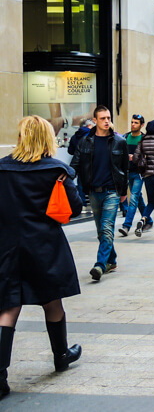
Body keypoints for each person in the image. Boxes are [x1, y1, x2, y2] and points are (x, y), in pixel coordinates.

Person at [0, 116, 84, 399]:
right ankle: (61, 355)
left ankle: (0, 376)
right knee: (52, 300)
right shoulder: (56, 170)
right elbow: (73, 209)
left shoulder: (2, 168)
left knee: (9, 305)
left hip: (8, 244)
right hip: (45, 246)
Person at [71, 106, 129, 281]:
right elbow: (75, 164)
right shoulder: (85, 142)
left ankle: (100, 265)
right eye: (102, 118)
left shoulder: (119, 141)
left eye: (108, 118)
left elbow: (124, 169)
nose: (106, 121)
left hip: (111, 191)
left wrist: (123, 191)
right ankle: (111, 260)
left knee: (106, 228)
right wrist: (63, 175)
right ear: (94, 121)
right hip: (93, 192)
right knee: (101, 231)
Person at [118, 114, 150, 237]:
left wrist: (136, 159)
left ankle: (126, 226)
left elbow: (149, 157)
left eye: (136, 123)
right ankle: (149, 220)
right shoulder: (125, 137)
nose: (133, 124)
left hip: (139, 173)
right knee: (138, 198)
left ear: (141, 125)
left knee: (133, 198)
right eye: (132, 122)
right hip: (127, 172)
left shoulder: (144, 139)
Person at [67, 118, 93, 209]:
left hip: (78, 163)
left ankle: (82, 203)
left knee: (80, 182)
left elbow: (70, 151)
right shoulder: (90, 135)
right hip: (89, 162)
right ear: (89, 126)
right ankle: (93, 202)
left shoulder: (75, 136)